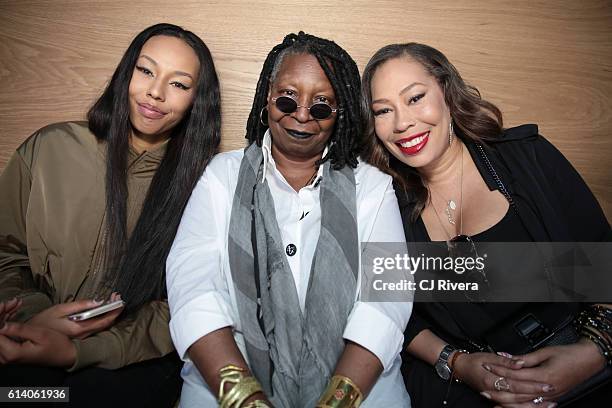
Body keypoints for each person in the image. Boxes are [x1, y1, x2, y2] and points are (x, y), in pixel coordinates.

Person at [166, 32, 412, 407]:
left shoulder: (372, 187)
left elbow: (386, 301)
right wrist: (246, 400)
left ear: (339, 114)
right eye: (288, 97)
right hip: (226, 385)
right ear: (267, 96)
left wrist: (335, 403)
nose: (301, 114)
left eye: (321, 105)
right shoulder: (222, 176)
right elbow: (194, 287)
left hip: (361, 391)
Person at [360, 42, 612, 407]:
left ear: (446, 91)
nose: (402, 123)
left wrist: (590, 354)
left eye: (414, 98)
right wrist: (460, 364)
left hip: (586, 362)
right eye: (383, 111)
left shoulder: (527, 158)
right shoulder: (386, 203)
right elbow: (395, 315)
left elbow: (603, 265)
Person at [0, 23, 221, 407]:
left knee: (65, 400)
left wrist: (77, 349)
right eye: (146, 70)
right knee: (17, 396)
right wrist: (38, 317)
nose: (156, 91)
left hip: (126, 363)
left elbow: (185, 304)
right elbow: (6, 253)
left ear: (196, 101)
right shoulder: (49, 148)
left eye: (179, 84)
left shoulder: (206, 184)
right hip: (27, 334)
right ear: (125, 72)